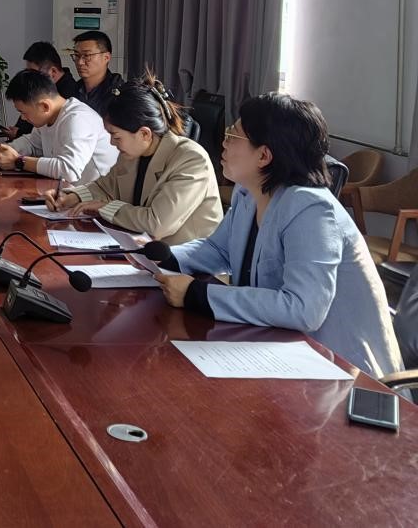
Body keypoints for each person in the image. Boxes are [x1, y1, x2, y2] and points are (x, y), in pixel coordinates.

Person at [152, 93, 402, 379]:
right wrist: (159, 257)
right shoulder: (249, 192)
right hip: (278, 350)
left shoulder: (311, 209)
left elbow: (303, 309)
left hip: (342, 371)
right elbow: (218, 251)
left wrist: (198, 294)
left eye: (233, 135)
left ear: (264, 155)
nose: (223, 142)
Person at [47, 73, 222, 243]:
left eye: (116, 136)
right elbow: (105, 186)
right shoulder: (134, 152)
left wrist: (105, 208)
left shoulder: (191, 160)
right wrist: (72, 197)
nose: (112, 143)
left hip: (185, 259)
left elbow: (157, 223)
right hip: (141, 247)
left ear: (144, 134)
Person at [0, 69, 118, 186]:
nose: (23, 118)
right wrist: (5, 150)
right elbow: (32, 143)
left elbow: (69, 170)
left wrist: (19, 161)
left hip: (97, 197)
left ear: (44, 106)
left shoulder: (77, 119)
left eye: (24, 112)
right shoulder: (48, 117)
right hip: (69, 192)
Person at [7, 41, 78, 138]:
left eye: (34, 73)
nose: (30, 77)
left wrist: (19, 133)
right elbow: (33, 140)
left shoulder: (73, 115)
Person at [66, 30, 124, 117]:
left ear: (106, 57)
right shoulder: (72, 92)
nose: (80, 62)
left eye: (87, 55)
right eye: (77, 55)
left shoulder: (119, 95)